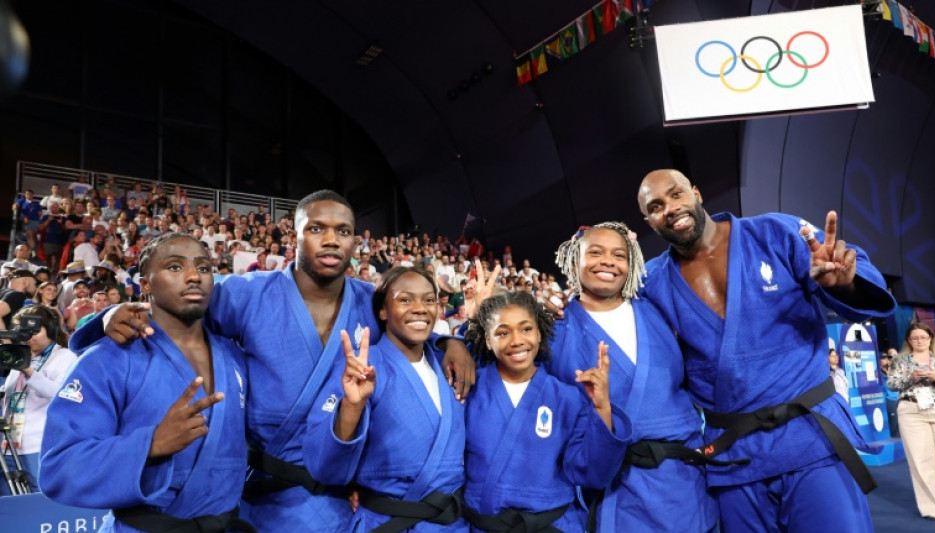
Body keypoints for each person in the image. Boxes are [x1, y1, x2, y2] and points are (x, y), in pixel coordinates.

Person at [69, 191, 476, 533]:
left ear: (355, 242)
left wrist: (448, 342)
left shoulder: (369, 300)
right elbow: (178, 302)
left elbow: (410, 321)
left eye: (343, 231)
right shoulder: (248, 293)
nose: (331, 240)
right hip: (261, 492)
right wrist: (109, 315)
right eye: (316, 229)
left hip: (337, 493)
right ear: (293, 235)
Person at [636, 169, 897, 532]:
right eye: (655, 206)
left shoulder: (775, 232)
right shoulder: (652, 283)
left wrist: (844, 285)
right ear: (648, 222)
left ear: (696, 192)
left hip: (810, 439)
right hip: (734, 458)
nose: (670, 208)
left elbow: (855, 275)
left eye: (676, 193)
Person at [40, 233, 253, 531]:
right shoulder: (108, 358)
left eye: (204, 268)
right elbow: (59, 467)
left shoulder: (234, 355)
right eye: (175, 267)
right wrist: (149, 446)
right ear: (145, 285)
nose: (194, 276)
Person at [546, 223, 718, 532]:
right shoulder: (552, 330)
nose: (608, 261)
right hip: (617, 489)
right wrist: (458, 341)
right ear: (574, 259)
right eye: (595, 252)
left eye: (619, 255)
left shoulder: (657, 308)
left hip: (686, 483)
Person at [305, 267, 467, 532]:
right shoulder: (362, 367)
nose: (420, 308)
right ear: (382, 311)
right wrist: (352, 407)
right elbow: (323, 465)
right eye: (405, 299)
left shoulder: (448, 363)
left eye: (429, 300)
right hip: (388, 522)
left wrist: (456, 341)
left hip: (451, 524)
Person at [462, 289, 632, 532]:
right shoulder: (469, 390)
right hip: (485, 525)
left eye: (526, 329)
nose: (517, 340)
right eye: (503, 333)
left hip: (553, 524)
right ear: (488, 340)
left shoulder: (567, 397)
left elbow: (591, 474)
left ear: (539, 333)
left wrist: (602, 406)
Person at [0, 305, 77, 495]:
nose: (29, 337)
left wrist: (28, 371)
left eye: (35, 331)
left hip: (40, 446)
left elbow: (62, 394)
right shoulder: (19, 355)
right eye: (23, 331)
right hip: (10, 447)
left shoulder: (65, 357)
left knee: (40, 502)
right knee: (9, 504)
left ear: (50, 330)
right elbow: (12, 396)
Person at [885, 323, 935, 520]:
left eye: (923, 337)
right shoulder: (900, 360)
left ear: (930, 338)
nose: (919, 341)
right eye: (915, 338)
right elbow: (892, 384)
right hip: (911, 411)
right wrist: (910, 377)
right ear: (909, 340)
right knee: (921, 461)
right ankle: (933, 509)